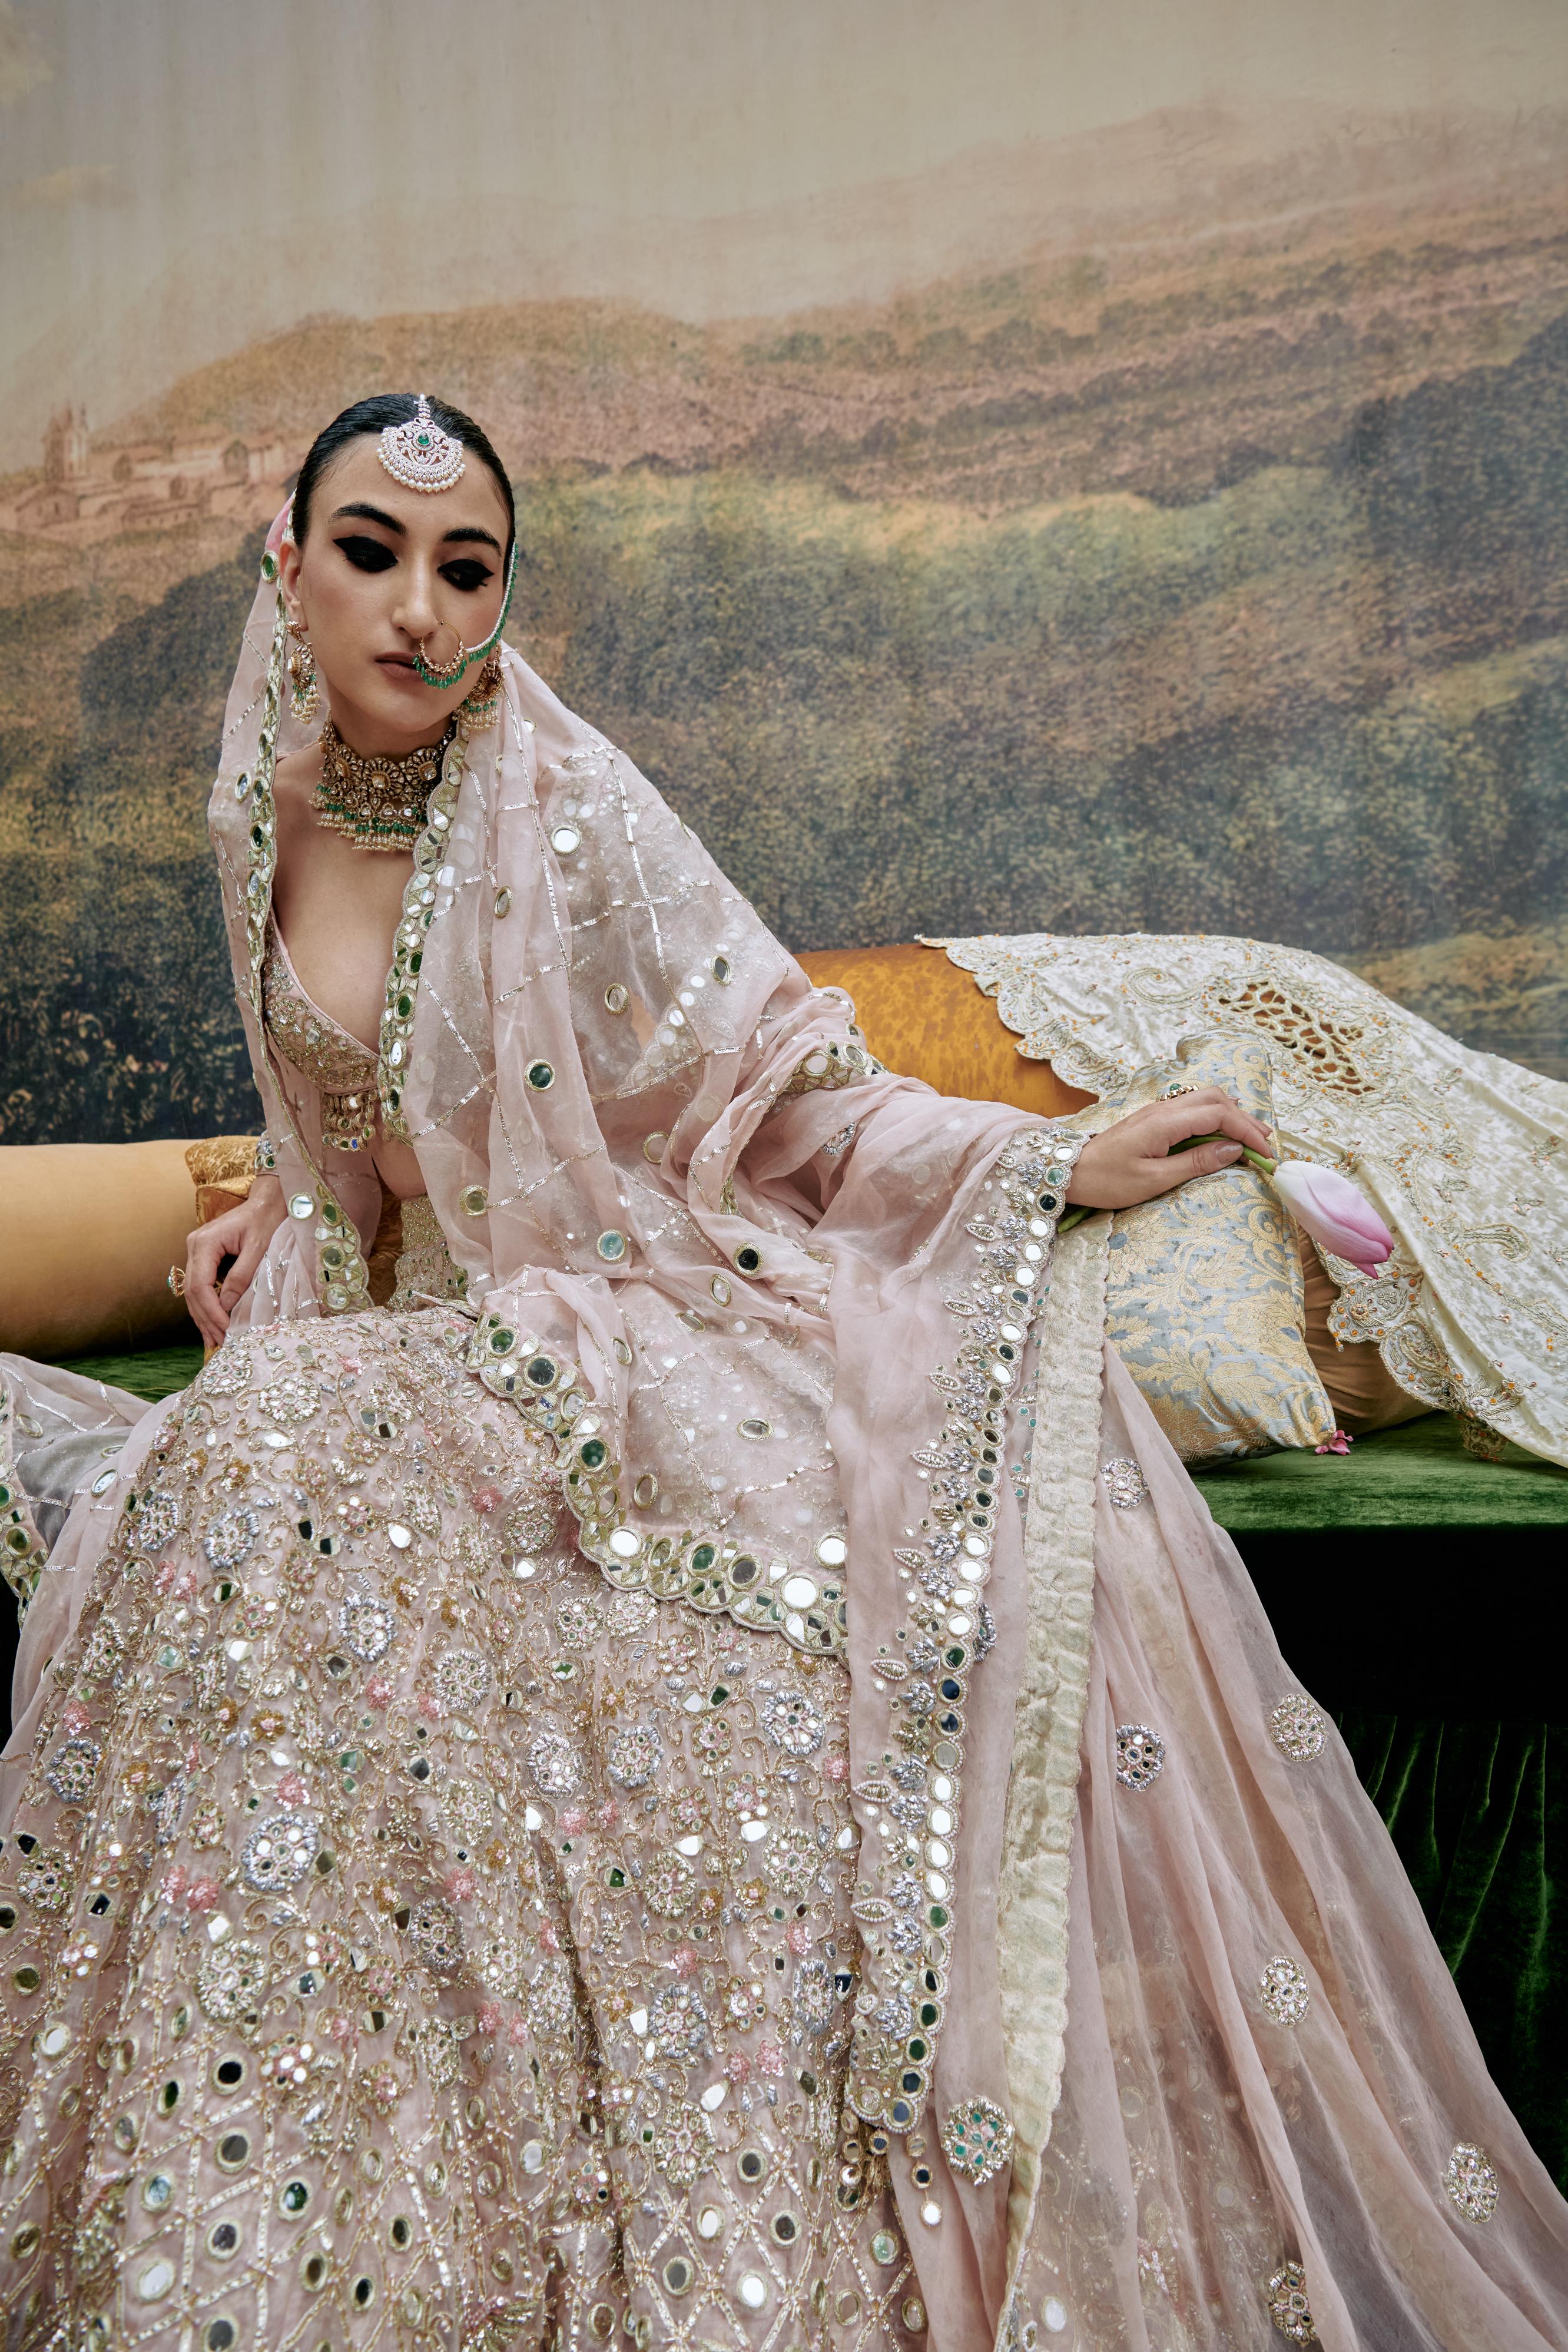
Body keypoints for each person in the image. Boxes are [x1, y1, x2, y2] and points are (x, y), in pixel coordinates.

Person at [0, 393, 1562, 2352]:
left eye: (467, 570)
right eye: (371, 554)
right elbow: (350, 1111)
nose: (417, 609)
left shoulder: (566, 804)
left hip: (600, 1327)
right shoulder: (263, 815)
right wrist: (282, 1212)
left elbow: (795, 1102)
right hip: (397, 1332)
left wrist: (1042, 1159)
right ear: (286, 567)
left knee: (280, 1439)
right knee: (235, 1462)